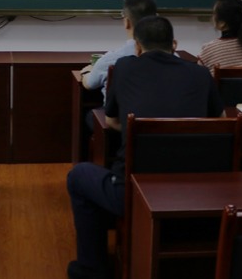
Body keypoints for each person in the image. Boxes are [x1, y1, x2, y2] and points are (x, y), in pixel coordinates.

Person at [66, 16, 223, 279]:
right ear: (174, 44)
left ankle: (91, 269)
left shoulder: (124, 67)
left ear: (137, 47)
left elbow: (112, 121)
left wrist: (141, 127)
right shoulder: (200, 73)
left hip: (134, 193)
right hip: (197, 191)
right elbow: (219, 122)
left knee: (79, 176)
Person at [80, 0, 158, 103]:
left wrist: (86, 72)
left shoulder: (112, 59)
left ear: (127, 22)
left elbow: (89, 84)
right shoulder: (173, 57)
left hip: (120, 114)